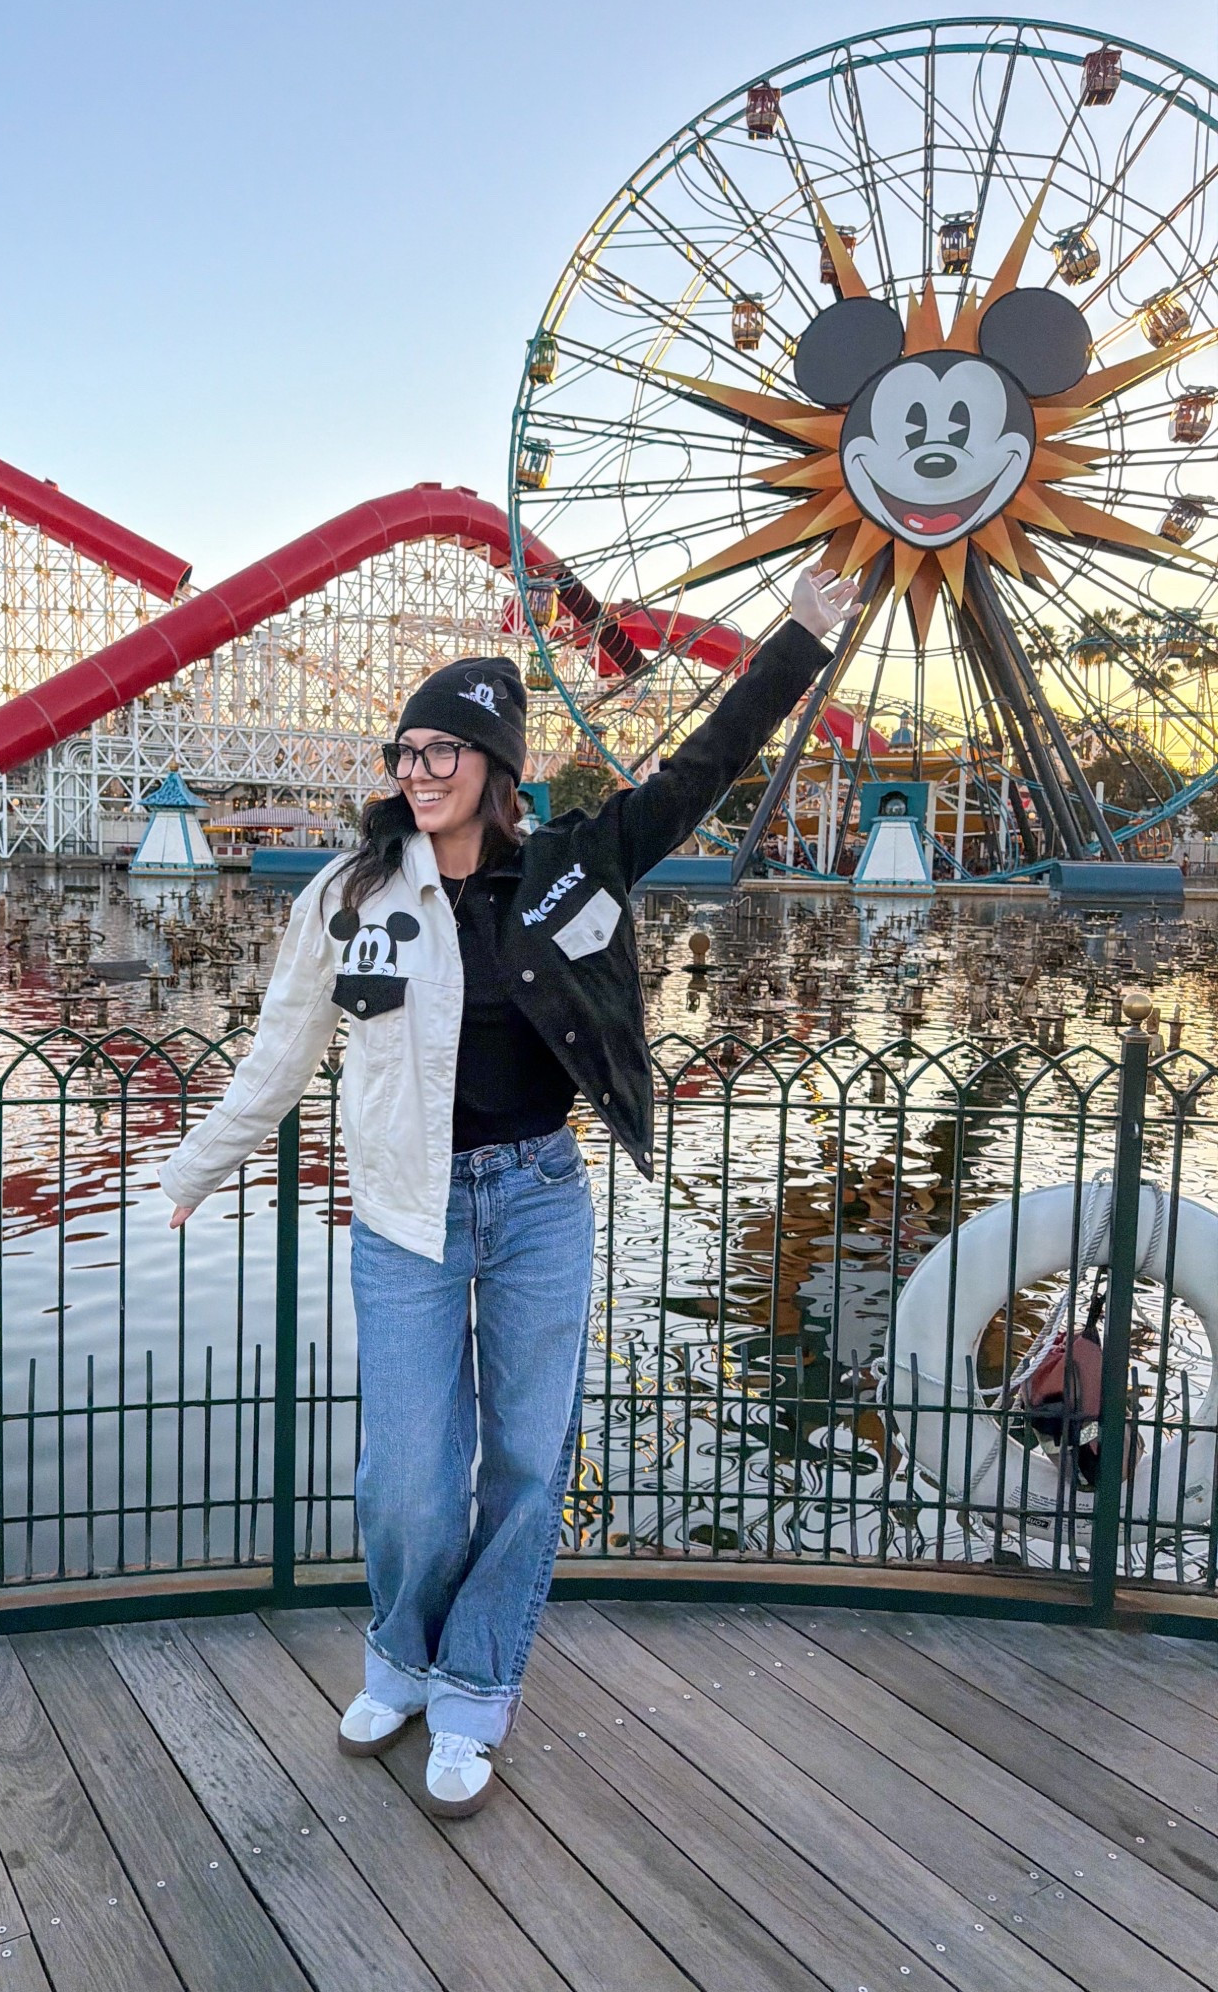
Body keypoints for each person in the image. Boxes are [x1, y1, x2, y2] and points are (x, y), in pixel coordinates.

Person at [161, 565, 857, 1817]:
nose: (417, 769)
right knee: (408, 1476)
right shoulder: (351, 892)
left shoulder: (575, 870)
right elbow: (279, 1051)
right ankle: (399, 1656)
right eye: (404, 749)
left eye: (443, 748)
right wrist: (194, 1170)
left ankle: (475, 1689)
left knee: (527, 1461)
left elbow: (705, 764)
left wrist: (800, 639)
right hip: (404, 1212)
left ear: (494, 761)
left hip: (536, 1195)